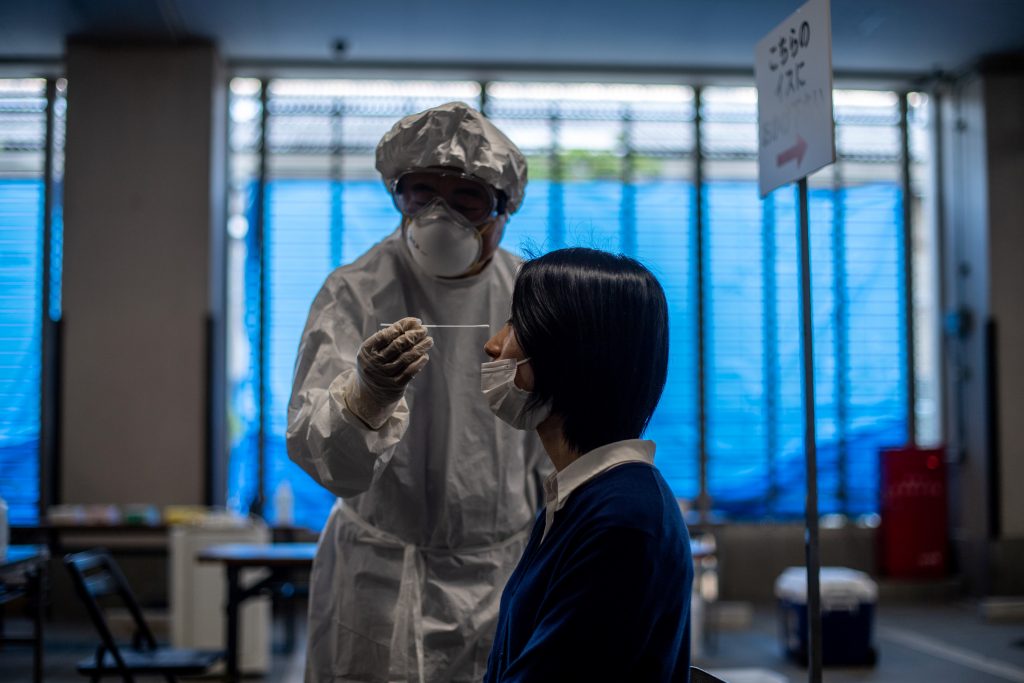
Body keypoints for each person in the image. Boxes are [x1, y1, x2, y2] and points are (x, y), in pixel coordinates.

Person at [286, 102, 549, 682]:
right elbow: (320, 454)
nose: (439, 215)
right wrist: (365, 398)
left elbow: (557, 445)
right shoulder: (356, 290)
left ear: (502, 209)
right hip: (378, 575)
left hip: (500, 572)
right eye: (420, 192)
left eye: (466, 199)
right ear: (395, 194)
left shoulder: (531, 294)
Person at [480, 248, 693, 682]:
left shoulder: (624, 522)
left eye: (516, 323)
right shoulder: (580, 498)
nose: (493, 345)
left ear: (571, 352)